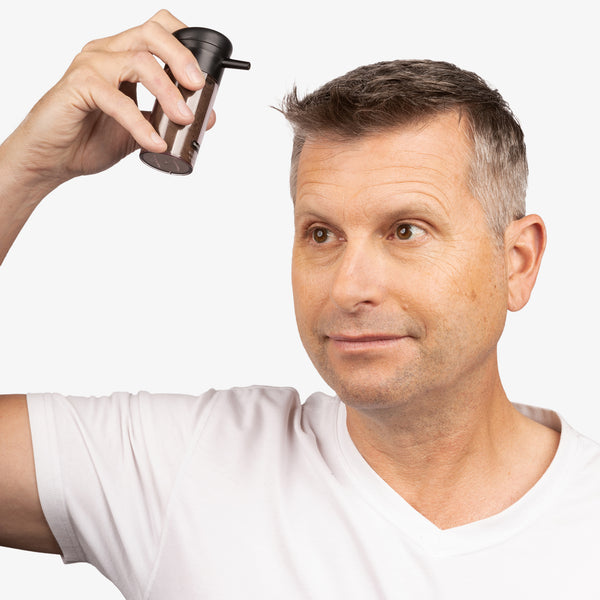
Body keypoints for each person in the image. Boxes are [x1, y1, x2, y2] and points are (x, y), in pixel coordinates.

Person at [1, 9, 599, 599]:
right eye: (321, 234)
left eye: (406, 231)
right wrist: (25, 168)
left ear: (517, 262)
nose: (347, 288)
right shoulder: (186, 469)